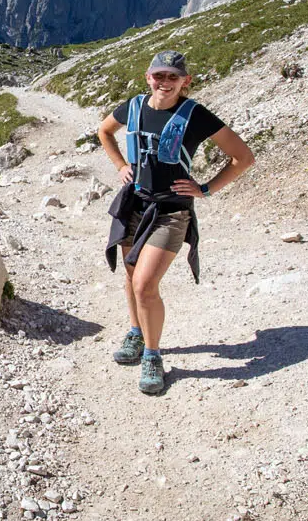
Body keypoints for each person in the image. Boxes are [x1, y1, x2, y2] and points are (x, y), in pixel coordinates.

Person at [96, 50, 255, 395]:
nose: (165, 83)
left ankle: (152, 355)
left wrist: (206, 189)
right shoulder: (134, 106)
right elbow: (104, 132)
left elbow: (243, 157)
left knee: (144, 284)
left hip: (171, 211)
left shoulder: (195, 115)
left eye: (173, 77)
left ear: (186, 81)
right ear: (147, 77)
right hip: (134, 202)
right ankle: (137, 333)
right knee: (130, 274)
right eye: (159, 75)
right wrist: (122, 166)